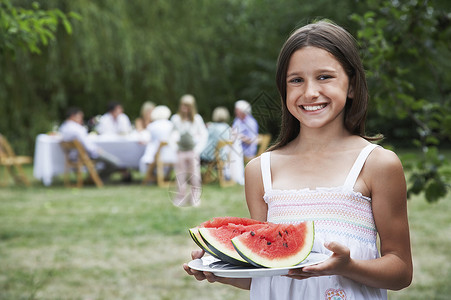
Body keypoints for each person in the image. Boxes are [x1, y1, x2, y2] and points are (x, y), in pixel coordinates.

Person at [183, 20, 412, 299]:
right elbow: (268, 271)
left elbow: (401, 270)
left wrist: (348, 266)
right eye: (296, 80)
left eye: (324, 77)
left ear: (351, 85)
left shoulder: (377, 164)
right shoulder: (260, 170)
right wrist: (219, 269)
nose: (310, 92)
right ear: (284, 89)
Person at [59, 107, 122, 180]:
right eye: (80, 117)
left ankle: (92, 178)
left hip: (73, 157)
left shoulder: (63, 128)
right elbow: (88, 147)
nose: (81, 119)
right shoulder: (77, 129)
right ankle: (96, 179)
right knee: (115, 163)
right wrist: (97, 150)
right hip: (84, 156)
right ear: (73, 116)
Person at [171, 94, 208, 206]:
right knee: (180, 175)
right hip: (181, 152)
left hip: (193, 151)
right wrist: (174, 147)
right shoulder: (176, 119)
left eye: (187, 106)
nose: (184, 109)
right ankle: (180, 197)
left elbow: (203, 134)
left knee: (195, 175)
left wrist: (198, 149)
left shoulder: (197, 119)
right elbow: (171, 135)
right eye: (183, 106)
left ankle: (195, 198)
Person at [139, 105, 177, 174]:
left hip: (157, 155)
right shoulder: (171, 125)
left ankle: (151, 176)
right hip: (172, 155)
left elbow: (145, 138)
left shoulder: (152, 126)